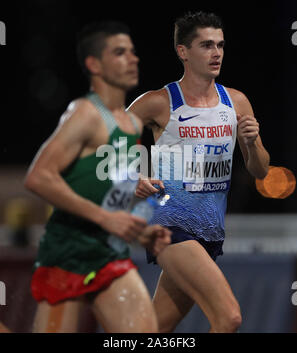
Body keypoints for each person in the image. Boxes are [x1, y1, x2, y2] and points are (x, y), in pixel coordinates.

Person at [24, 21, 171, 333]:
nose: (133, 59)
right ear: (94, 65)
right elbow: (38, 177)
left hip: (108, 254)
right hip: (68, 255)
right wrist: (106, 219)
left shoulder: (132, 123)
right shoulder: (85, 113)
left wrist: (137, 230)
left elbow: (114, 189)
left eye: (132, 52)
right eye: (119, 53)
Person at [128, 11, 270, 333]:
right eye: (206, 45)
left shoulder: (236, 102)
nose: (216, 53)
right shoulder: (159, 102)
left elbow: (260, 170)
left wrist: (250, 143)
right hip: (169, 225)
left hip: (210, 233)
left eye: (220, 45)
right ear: (183, 51)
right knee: (229, 316)